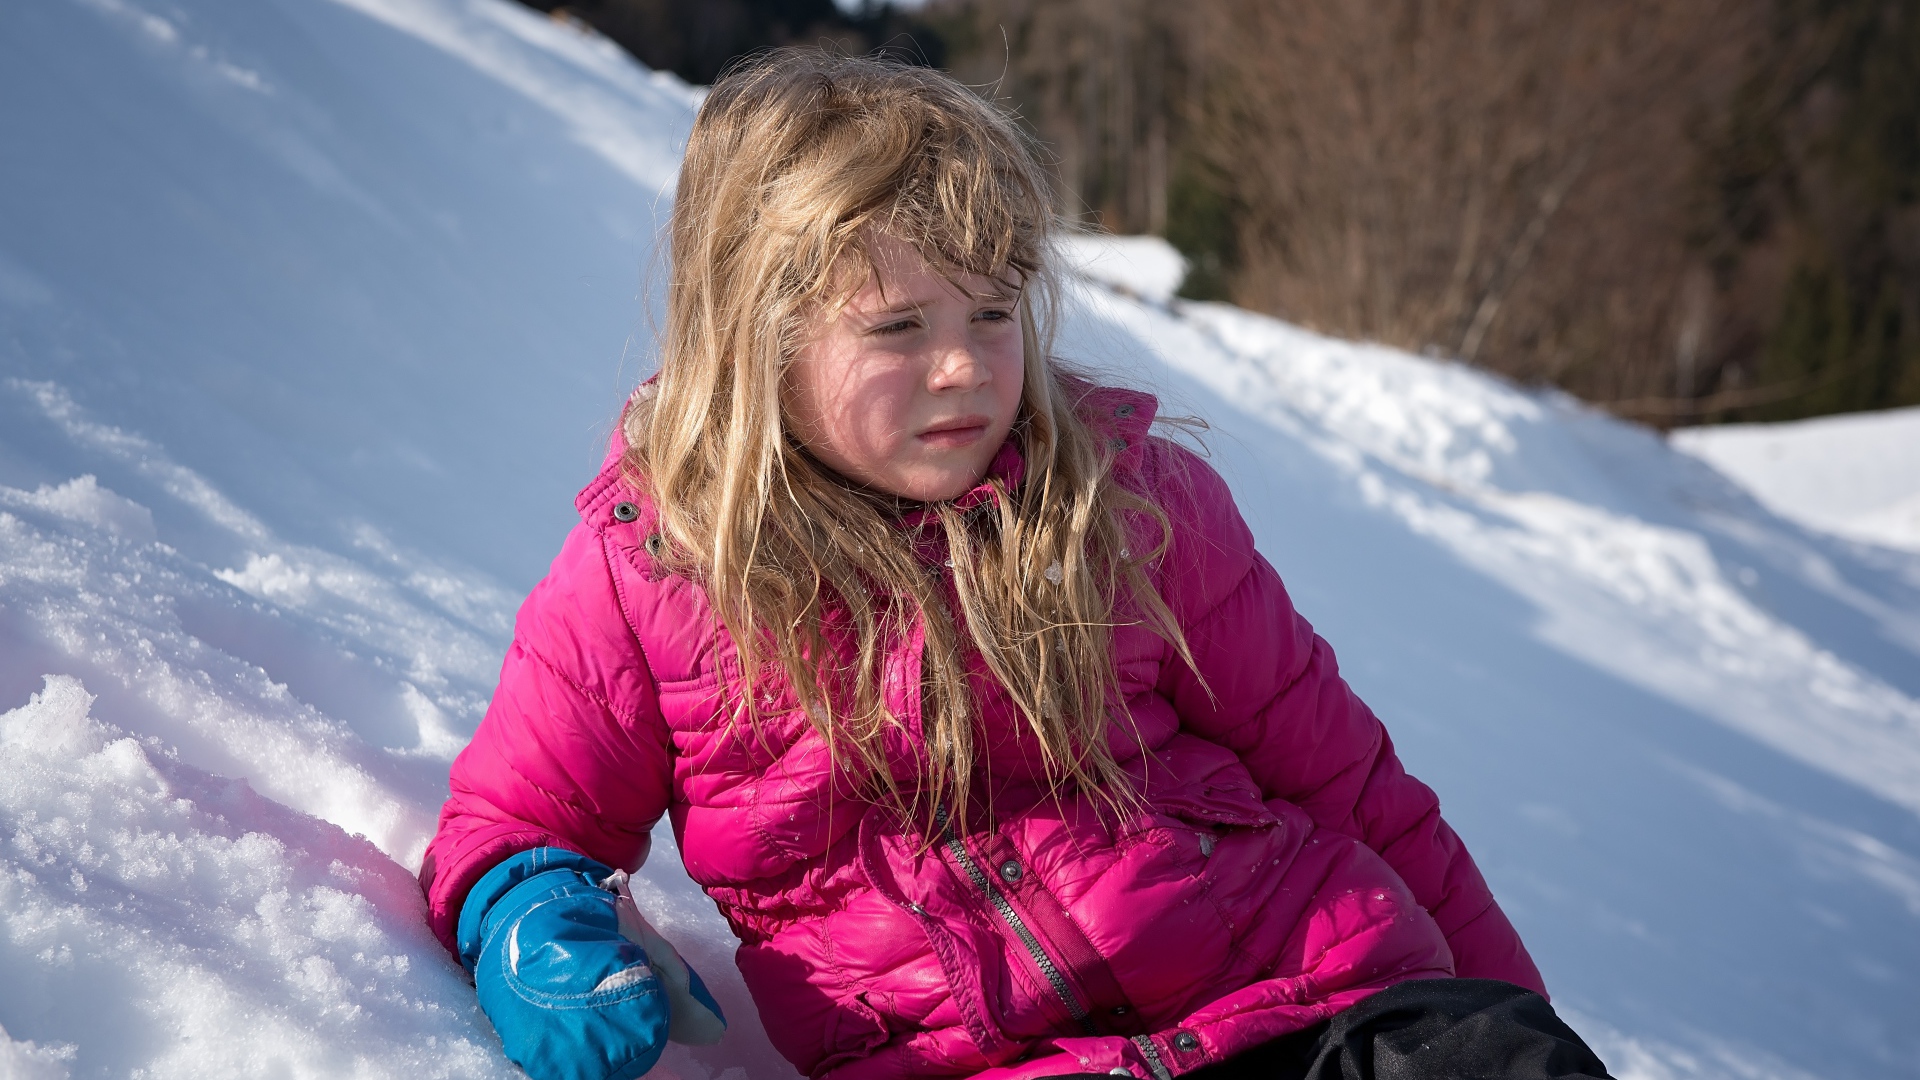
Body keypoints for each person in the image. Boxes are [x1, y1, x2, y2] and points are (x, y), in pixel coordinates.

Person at [418, 49, 1612, 1080]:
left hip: (1316, 1006)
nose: (966, 368)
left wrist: (1519, 1015)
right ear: (758, 335)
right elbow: (518, 820)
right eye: (899, 328)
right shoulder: (660, 575)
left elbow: (1355, 789)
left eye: (993, 314)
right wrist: (535, 921)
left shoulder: (1130, 507)